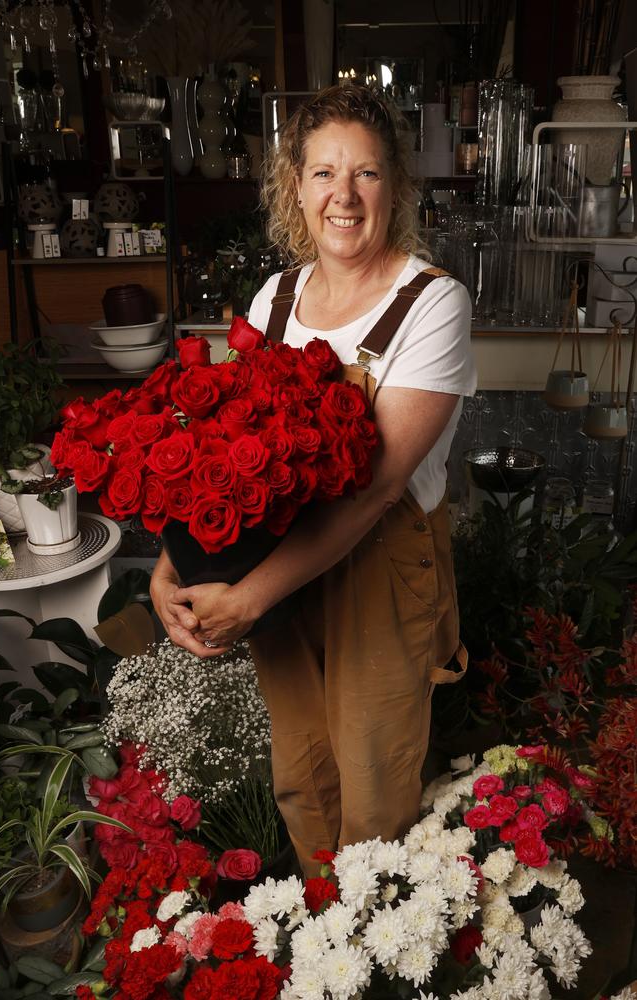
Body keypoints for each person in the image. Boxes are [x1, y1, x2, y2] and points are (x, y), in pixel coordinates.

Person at [150, 84, 476, 878]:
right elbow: (225, 453)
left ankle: (382, 952)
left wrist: (249, 598)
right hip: (282, 552)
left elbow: (372, 491)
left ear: (393, 187)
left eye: (365, 174)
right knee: (301, 770)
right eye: (324, 172)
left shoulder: (433, 303)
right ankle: (323, 935)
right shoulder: (276, 299)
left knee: (373, 782)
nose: (345, 195)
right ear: (294, 186)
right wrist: (172, 563)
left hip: (378, 565)